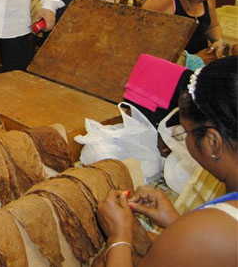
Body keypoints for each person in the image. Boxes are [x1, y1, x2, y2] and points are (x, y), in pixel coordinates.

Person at [97, 55, 237, 267]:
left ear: (212, 142)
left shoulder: (204, 233)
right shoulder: (209, 231)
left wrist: (119, 237)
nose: (186, 140)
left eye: (185, 132)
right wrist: (175, 222)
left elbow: (207, 241)